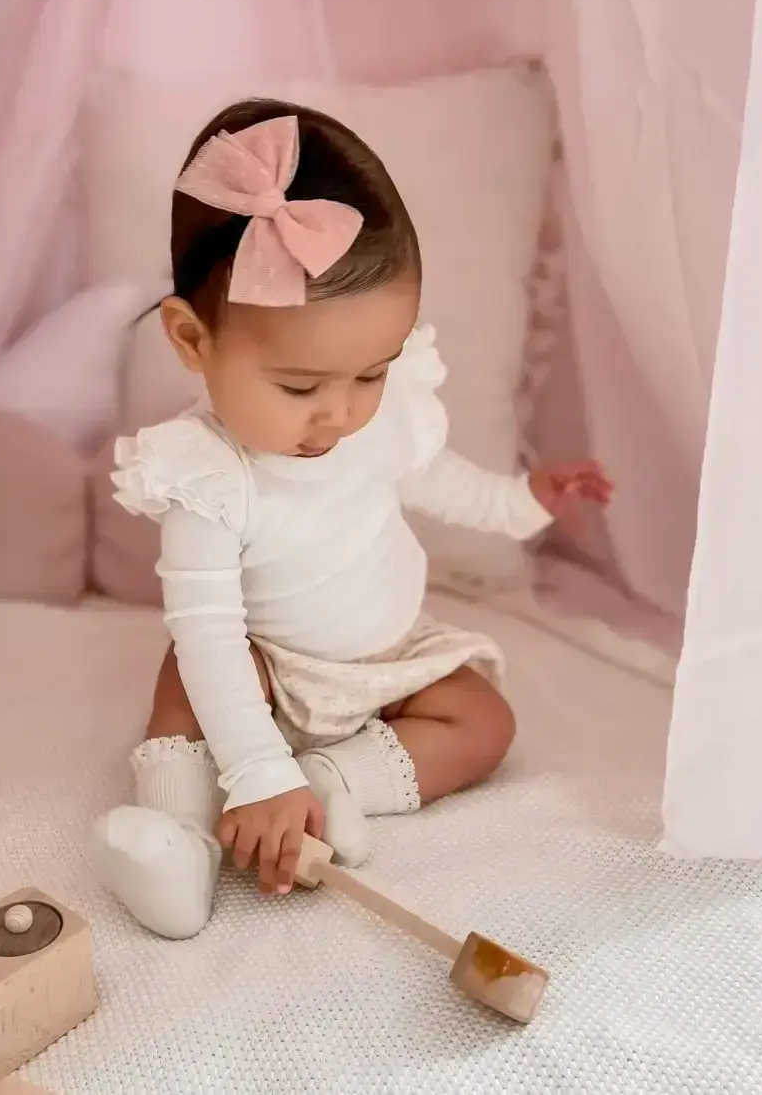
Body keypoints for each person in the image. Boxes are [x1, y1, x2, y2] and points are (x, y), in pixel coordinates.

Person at [87, 99, 612, 939]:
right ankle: (176, 838)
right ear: (192, 341)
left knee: (485, 721)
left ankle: (338, 783)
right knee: (188, 680)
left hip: (390, 663)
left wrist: (522, 503)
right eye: (301, 387)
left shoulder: (378, 416)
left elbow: (430, 475)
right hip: (270, 667)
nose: (340, 414)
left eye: (371, 373)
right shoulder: (207, 476)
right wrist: (256, 765)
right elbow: (212, 634)